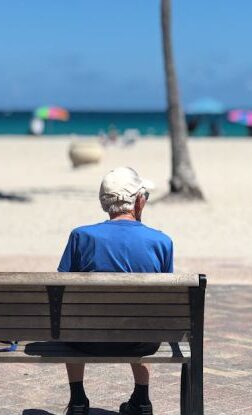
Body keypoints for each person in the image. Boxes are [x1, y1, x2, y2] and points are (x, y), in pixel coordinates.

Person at [58, 167, 173, 415]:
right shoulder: (162, 242)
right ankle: (142, 399)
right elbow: (165, 301)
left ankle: (78, 400)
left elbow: (61, 289)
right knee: (144, 316)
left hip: (87, 341)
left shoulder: (81, 236)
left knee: (71, 318)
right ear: (139, 201)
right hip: (142, 343)